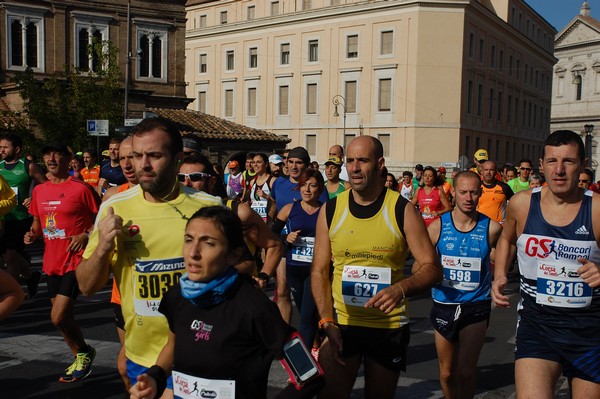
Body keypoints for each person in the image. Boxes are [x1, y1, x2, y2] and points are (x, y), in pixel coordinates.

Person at [76, 117, 223, 397]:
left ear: (178, 159)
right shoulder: (114, 208)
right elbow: (85, 286)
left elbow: (238, 273)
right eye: (136, 155)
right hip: (142, 357)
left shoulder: (209, 207)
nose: (143, 164)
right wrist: (104, 247)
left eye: (154, 155)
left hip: (201, 352)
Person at [128, 206, 322, 399]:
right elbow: (172, 346)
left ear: (234, 255)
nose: (193, 252)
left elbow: (310, 375)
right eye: (188, 240)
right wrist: (155, 377)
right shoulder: (177, 295)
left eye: (208, 243)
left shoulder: (254, 307)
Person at [311, 136, 442, 399]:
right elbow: (318, 270)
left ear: (380, 164)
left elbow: (431, 268)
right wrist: (326, 321)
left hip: (387, 327)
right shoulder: (331, 209)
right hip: (342, 324)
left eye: (363, 160)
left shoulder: (402, 209)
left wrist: (400, 289)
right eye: (350, 160)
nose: (355, 167)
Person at [492, 130, 600, 398]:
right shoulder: (522, 204)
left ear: (584, 166)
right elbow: (506, 239)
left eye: (569, 161)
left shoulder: (597, 209)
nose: (559, 170)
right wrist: (499, 275)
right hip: (537, 326)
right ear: (541, 165)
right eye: (552, 161)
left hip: (589, 333)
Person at [24, 142, 100, 383]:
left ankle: (84, 353)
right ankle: (81, 356)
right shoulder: (39, 191)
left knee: (57, 317)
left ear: (68, 160)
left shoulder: (81, 189)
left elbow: (101, 220)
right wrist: (31, 234)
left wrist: (85, 235)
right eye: (47, 154)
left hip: (75, 260)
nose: (51, 158)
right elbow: (38, 225)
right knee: (63, 319)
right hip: (51, 261)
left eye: (57, 154)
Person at [424, 171, 502, 399]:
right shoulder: (438, 227)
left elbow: (506, 255)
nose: (468, 197)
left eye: (473, 192)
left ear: (480, 194)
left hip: (475, 305)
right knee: (447, 374)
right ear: (454, 193)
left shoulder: (492, 228)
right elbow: (422, 261)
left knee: (465, 373)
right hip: (444, 303)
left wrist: (499, 278)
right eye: (463, 192)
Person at [178, 153, 283, 282]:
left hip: (237, 295)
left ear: (211, 181)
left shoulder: (238, 212)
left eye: (195, 177)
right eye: (181, 178)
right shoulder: (174, 213)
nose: (186, 183)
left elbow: (274, 245)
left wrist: (263, 277)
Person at [272, 147, 329, 324]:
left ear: (306, 165)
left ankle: (313, 334)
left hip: (311, 248)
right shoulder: (278, 184)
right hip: (285, 244)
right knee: (281, 290)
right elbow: (274, 207)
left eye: (299, 162)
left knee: (309, 299)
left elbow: (325, 217)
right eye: (291, 162)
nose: (294, 166)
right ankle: (285, 334)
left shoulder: (316, 187)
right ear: (286, 163)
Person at [100, 135, 137, 394]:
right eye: (121, 157)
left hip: (169, 300)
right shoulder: (113, 198)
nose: (126, 163)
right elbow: (88, 280)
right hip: (122, 295)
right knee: (126, 367)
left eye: (131, 156)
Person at [273, 169, 324, 354]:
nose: (307, 189)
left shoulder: (326, 210)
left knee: (306, 318)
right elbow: (272, 235)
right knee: (305, 313)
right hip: (294, 268)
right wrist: (286, 237)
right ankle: (318, 342)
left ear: (319, 189)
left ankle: (304, 367)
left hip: (316, 269)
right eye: (304, 185)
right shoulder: (289, 209)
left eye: (312, 185)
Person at [0, 133, 46, 298]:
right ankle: (31, 276)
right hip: (2, 219)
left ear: (17, 149)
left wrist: (33, 198)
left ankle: (10, 296)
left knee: (10, 257)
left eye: (5, 147)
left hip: (20, 220)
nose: (2, 150)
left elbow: (46, 186)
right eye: (0, 147)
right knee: (7, 256)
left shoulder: (27, 166)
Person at [242, 153, 277, 224]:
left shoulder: (273, 181)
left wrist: (266, 196)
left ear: (266, 164)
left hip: (269, 221)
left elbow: (279, 202)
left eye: (259, 162)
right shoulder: (252, 182)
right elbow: (254, 201)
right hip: (255, 221)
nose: (255, 165)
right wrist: (248, 204)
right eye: (253, 162)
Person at [478, 160, 513, 225]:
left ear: (495, 172)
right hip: (480, 224)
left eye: (491, 170)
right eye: (486, 170)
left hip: (499, 226)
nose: (488, 172)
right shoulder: (476, 186)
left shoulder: (504, 187)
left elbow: (514, 205)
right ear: (481, 172)